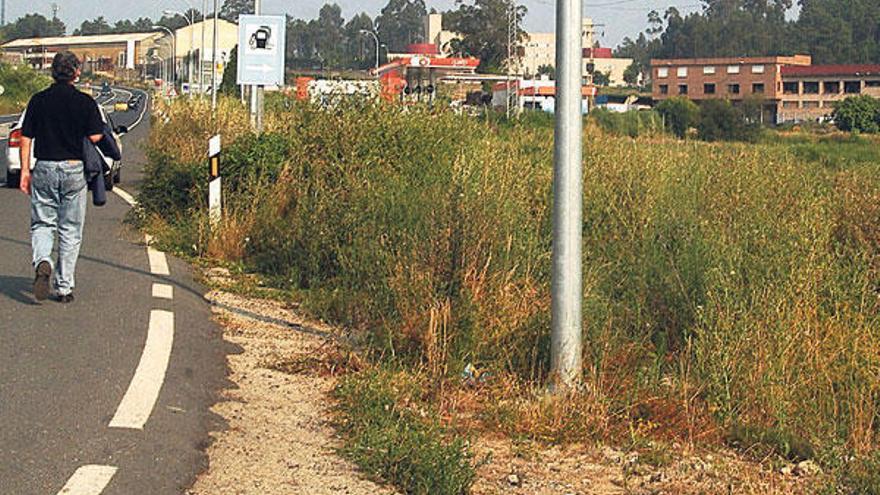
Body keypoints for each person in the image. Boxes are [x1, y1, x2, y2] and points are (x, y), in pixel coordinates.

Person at [19, 51, 104, 303]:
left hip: (44, 166)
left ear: (52, 72)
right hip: (73, 168)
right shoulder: (85, 102)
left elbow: (26, 137)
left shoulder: (38, 100)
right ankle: (64, 287)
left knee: (42, 223)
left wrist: (25, 170)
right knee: (70, 229)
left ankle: (43, 260)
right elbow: (96, 136)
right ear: (76, 72)